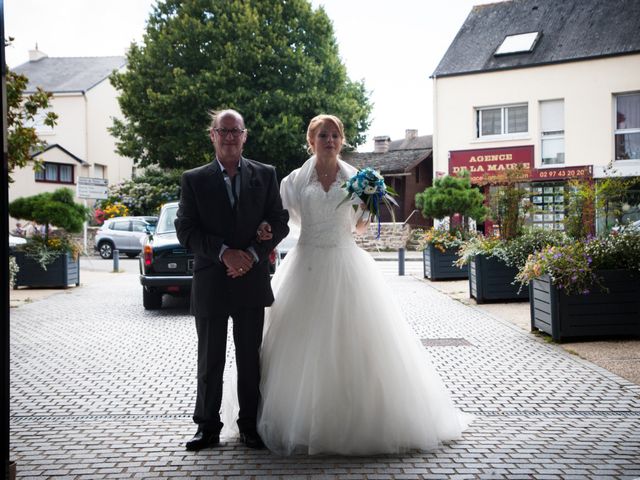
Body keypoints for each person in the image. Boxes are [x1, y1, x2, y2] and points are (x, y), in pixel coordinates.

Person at [256, 114, 472, 455]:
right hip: (306, 264)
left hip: (346, 262)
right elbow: (286, 219)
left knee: (354, 342)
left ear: (342, 141)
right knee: (300, 343)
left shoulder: (359, 178)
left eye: (335, 135)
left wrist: (371, 205)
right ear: (310, 140)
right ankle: (300, 421)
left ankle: (359, 421)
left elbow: (359, 228)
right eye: (323, 135)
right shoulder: (294, 181)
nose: (330, 140)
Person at [175, 109, 289, 451]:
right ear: (212, 135)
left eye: (234, 131)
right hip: (212, 279)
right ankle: (207, 427)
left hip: (251, 281)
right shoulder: (193, 179)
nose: (229, 137)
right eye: (222, 131)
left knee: (249, 359)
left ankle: (250, 426)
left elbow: (279, 221)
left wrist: (253, 254)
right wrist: (225, 253)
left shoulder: (265, 175)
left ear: (244, 135)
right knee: (210, 359)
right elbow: (186, 230)